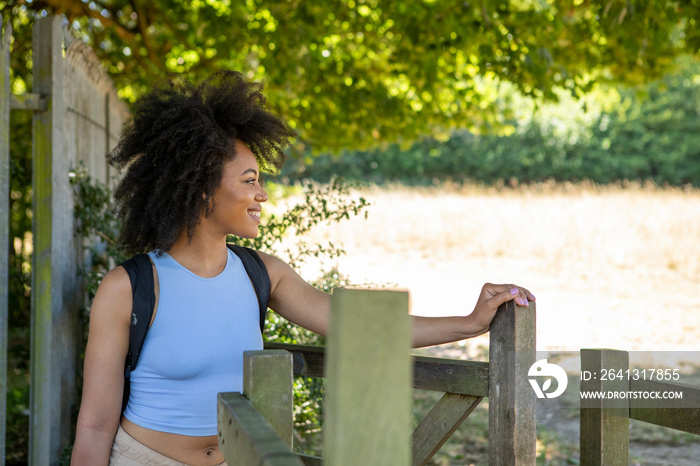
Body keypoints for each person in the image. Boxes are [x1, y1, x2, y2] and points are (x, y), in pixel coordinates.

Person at [70, 71, 535, 466]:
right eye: (250, 181)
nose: (263, 195)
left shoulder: (263, 275)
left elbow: (360, 329)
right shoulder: (128, 288)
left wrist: (469, 323)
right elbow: (94, 424)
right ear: (200, 188)